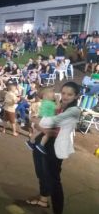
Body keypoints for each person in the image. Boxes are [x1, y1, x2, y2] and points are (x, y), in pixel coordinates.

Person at [25, 82, 81, 214]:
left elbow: (50, 122)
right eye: (63, 93)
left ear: (76, 96)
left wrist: (37, 123)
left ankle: (57, 211)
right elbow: (43, 118)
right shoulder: (58, 105)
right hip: (43, 143)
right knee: (41, 173)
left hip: (55, 147)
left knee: (54, 180)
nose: (65, 96)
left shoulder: (74, 111)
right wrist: (39, 123)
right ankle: (43, 199)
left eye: (70, 94)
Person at [26, 88, 58, 154]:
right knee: (47, 134)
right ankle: (41, 145)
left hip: (42, 119)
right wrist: (57, 100)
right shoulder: (50, 104)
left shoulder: (44, 102)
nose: (53, 95)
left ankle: (31, 142)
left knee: (38, 131)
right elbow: (58, 107)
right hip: (47, 120)